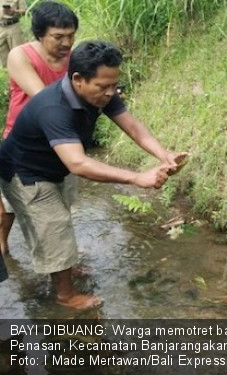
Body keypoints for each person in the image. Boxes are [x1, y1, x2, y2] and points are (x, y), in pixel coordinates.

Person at [0, 40, 187, 309]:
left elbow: (132, 126)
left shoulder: (100, 93)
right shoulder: (53, 107)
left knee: (60, 218)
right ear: (78, 79)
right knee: (54, 227)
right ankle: (65, 295)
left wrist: (164, 155)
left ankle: (61, 267)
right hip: (25, 173)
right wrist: (137, 178)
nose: (111, 92)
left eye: (114, 85)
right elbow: (79, 164)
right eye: (104, 86)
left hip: (55, 165)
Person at [0, 1, 78, 255]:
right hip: (23, 143)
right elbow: (44, 100)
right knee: (10, 208)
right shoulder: (20, 55)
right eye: (58, 37)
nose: (66, 43)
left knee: (59, 205)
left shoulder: (72, 57)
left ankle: (60, 259)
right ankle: (2, 244)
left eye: (70, 36)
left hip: (59, 143)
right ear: (40, 34)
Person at [0, 0, 26, 67]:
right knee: (3, 55)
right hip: (1, 28)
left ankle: (21, 73)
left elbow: (24, 11)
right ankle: (9, 73)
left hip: (13, 27)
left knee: (18, 53)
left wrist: (14, 11)